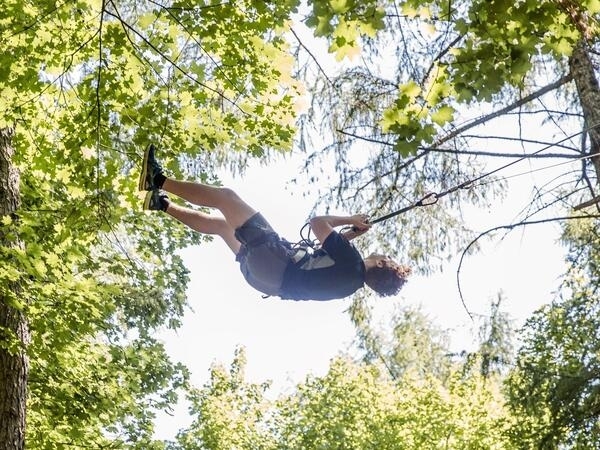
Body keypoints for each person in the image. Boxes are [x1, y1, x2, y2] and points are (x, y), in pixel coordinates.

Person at [139, 144, 411, 301]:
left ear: (383, 264)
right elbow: (322, 257)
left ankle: (158, 180)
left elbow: (317, 224)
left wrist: (349, 219)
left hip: (275, 261)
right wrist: (350, 233)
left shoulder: (352, 262)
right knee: (224, 227)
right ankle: (161, 204)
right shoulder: (348, 284)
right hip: (264, 279)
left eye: (387, 257)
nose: (384, 253)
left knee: (226, 198)